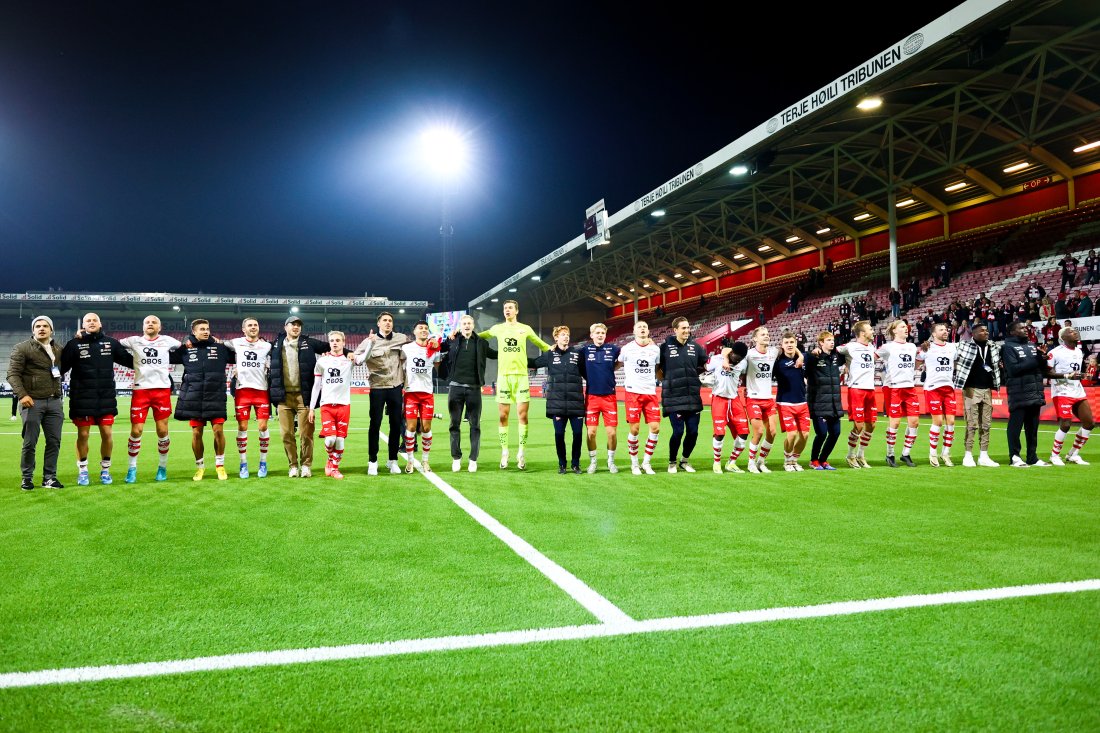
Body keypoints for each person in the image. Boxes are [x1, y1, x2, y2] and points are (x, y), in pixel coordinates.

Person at [476, 300, 551, 470]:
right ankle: (504, 452)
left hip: (522, 377)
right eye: (505, 308)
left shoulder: (525, 328)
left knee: (522, 416)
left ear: (517, 310)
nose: (507, 310)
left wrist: (557, 349)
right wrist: (462, 333)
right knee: (503, 416)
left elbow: (542, 344)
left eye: (510, 308)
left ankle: (521, 453)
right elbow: (480, 336)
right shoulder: (498, 328)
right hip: (503, 377)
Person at [60, 312, 133, 485]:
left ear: (100, 324)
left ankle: (105, 470)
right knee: (83, 435)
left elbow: (131, 362)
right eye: (88, 320)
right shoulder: (74, 344)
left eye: (95, 320)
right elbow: (61, 368)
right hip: (82, 398)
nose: (91, 322)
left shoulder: (111, 343)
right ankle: (83, 471)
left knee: (107, 434)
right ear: (83, 325)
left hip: (105, 398)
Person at [170, 319, 236, 481]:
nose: (206, 331)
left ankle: (220, 465)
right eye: (202, 329)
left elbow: (238, 354)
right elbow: (168, 355)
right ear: (194, 332)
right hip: (194, 396)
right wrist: (186, 340)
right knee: (197, 433)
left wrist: (222, 342)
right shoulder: (186, 349)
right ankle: (200, 467)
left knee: (218, 431)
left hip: (216, 395)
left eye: (207, 329)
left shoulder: (220, 348)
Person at [119, 315, 181, 483]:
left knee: (162, 431)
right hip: (141, 391)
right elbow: (112, 344)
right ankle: (132, 468)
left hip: (161, 391)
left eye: (154, 322)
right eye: (147, 322)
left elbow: (185, 346)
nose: (150, 324)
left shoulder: (168, 341)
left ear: (159, 327)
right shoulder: (133, 341)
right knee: (136, 431)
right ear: (143, 326)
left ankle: (162, 467)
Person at [268, 315, 331, 479]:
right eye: (292, 324)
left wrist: (349, 352)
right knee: (287, 435)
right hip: (283, 397)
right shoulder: (275, 344)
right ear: (285, 327)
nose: (296, 327)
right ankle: (293, 466)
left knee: (306, 434)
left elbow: (330, 345)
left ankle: (306, 465)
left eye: (298, 325)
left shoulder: (308, 342)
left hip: (304, 397)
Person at [7, 315, 65, 490]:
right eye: (37, 326)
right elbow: (12, 374)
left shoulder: (59, 350)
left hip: (55, 402)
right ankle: (27, 478)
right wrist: (22, 395)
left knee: (54, 441)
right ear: (33, 330)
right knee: (30, 442)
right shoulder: (22, 348)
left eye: (45, 326)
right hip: (32, 402)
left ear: (51, 329)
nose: (41, 328)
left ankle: (49, 477)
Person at [307, 331, 373, 480]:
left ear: (344, 343)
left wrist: (370, 343)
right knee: (330, 439)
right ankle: (331, 459)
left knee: (340, 440)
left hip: (344, 405)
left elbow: (363, 358)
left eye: (338, 340)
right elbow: (316, 386)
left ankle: (334, 467)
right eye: (332, 340)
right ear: (329, 343)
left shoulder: (349, 359)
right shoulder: (322, 361)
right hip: (327, 405)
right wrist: (311, 408)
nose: (335, 343)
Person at [441, 314, 496, 473]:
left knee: (475, 426)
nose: (466, 325)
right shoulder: (452, 340)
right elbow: (439, 348)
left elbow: (496, 354)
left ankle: (473, 459)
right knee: (454, 425)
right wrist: (448, 336)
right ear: (460, 326)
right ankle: (456, 458)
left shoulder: (481, 343)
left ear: (473, 326)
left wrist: (513, 351)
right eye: (464, 323)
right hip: (455, 388)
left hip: (474, 389)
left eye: (469, 323)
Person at [530, 326, 586, 474]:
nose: (566, 337)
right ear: (556, 338)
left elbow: (587, 373)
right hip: (557, 403)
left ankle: (575, 464)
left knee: (578, 434)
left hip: (576, 403)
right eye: (562, 335)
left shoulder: (577, 354)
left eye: (567, 334)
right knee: (559, 434)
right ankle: (562, 464)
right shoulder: (550, 354)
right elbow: (534, 363)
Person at [658, 317, 707, 473]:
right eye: (683, 328)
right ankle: (672, 462)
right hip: (673, 397)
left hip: (693, 396)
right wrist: (666, 381)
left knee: (693, 432)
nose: (687, 330)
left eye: (688, 327)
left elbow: (706, 365)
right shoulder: (664, 348)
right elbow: (657, 368)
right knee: (678, 432)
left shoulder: (696, 347)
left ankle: (684, 461)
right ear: (675, 330)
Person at [226, 317, 273, 479]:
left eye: (255, 325)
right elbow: (216, 343)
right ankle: (243, 463)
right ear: (243, 329)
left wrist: (269, 367)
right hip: (242, 391)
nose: (253, 327)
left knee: (262, 427)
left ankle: (263, 462)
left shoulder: (267, 346)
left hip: (261, 391)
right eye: (250, 325)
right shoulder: (235, 342)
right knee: (243, 428)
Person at [365, 311, 410, 476]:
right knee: (375, 424)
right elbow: (356, 357)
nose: (388, 323)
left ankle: (393, 460)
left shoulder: (401, 338)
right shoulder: (369, 341)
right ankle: (372, 461)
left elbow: (417, 344)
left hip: (395, 387)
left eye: (390, 320)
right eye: (384, 320)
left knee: (396, 425)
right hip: (377, 388)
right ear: (378, 323)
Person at [953, 323, 1002, 467]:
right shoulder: (963, 346)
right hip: (971, 389)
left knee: (986, 424)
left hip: (987, 389)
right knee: (971, 424)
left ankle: (983, 455)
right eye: (982, 331)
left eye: (987, 330)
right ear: (973, 334)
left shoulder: (993, 347)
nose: (986, 332)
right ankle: (968, 455)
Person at [1001, 321, 1049, 467]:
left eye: (1025, 327)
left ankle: (1032, 457)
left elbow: (1040, 368)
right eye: (1021, 328)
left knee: (1033, 428)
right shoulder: (1007, 347)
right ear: (1012, 332)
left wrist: (1042, 359)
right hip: (1018, 392)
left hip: (1035, 391)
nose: (1025, 329)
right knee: (1015, 426)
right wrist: (1036, 360)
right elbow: (1013, 369)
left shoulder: (1032, 345)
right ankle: (1014, 457)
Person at [617, 320, 661, 475]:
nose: (642, 329)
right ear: (634, 331)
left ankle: (646, 462)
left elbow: (657, 369)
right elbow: (618, 364)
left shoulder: (655, 349)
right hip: (633, 392)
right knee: (635, 430)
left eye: (645, 327)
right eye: (639, 327)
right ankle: (634, 464)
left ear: (648, 331)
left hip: (650, 392)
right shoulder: (627, 348)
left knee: (655, 428)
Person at [399, 322, 443, 473]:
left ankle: (425, 461)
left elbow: (439, 367)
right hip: (411, 393)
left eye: (426, 328)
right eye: (421, 328)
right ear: (414, 331)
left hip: (427, 393)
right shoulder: (406, 348)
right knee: (410, 427)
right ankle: (410, 461)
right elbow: (399, 364)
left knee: (426, 427)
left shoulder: (434, 349)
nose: (424, 330)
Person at [1046, 326, 1092, 466]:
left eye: (1075, 330)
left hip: (1078, 390)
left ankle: (1073, 454)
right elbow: (1047, 372)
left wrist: (1083, 375)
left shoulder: (1079, 351)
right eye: (1070, 331)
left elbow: (1075, 371)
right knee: (1066, 424)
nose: (1075, 332)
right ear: (1063, 337)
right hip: (1062, 391)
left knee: (1089, 423)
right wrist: (1067, 376)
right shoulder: (1055, 352)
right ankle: (1054, 455)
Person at [877, 320, 920, 467]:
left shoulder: (912, 346)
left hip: (910, 387)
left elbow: (918, 361)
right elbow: (872, 356)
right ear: (894, 330)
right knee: (895, 423)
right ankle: (890, 454)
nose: (906, 328)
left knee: (914, 422)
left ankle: (906, 454)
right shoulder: (888, 347)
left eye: (906, 327)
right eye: (902, 326)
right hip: (894, 387)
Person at [579, 322, 621, 474]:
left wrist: (612, 368)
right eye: (597, 333)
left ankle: (611, 461)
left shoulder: (613, 349)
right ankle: (593, 461)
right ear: (591, 335)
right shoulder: (584, 350)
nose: (600, 335)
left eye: (602, 333)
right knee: (591, 433)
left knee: (612, 433)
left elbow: (625, 356)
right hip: (592, 397)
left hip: (609, 397)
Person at [836, 320, 878, 468]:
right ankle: (850, 455)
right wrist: (845, 365)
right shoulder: (850, 346)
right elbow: (835, 349)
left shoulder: (871, 346)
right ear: (862, 333)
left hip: (870, 389)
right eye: (870, 329)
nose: (872, 331)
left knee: (872, 424)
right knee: (859, 426)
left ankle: (861, 455)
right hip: (856, 389)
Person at [917, 322, 959, 467]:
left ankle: (946, 453)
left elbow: (958, 360)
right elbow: (916, 360)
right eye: (941, 330)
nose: (945, 331)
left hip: (949, 388)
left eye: (946, 329)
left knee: (951, 422)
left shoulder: (953, 347)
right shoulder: (927, 348)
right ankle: (933, 453)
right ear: (934, 334)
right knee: (938, 421)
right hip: (933, 388)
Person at [705, 341, 749, 473]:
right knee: (719, 433)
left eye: (740, 359)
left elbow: (746, 374)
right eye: (736, 357)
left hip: (735, 399)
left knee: (744, 433)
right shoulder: (717, 359)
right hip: (719, 399)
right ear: (731, 353)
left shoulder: (743, 363)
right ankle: (716, 462)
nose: (737, 361)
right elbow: (705, 368)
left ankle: (731, 462)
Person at [743, 326, 780, 473]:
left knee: (772, 432)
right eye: (762, 334)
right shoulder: (749, 354)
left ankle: (761, 461)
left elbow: (789, 346)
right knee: (758, 432)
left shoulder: (774, 352)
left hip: (768, 399)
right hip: (753, 398)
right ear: (754, 339)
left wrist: (800, 355)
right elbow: (729, 353)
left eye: (767, 334)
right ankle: (750, 463)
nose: (766, 336)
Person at [805, 331, 844, 470]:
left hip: (834, 403)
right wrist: (810, 353)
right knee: (821, 434)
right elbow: (805, 362)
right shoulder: (814, 357)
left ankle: (823, 460)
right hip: (818, 403)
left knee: (836, 433)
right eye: (828, 340)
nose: (832, 342)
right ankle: (814, 460)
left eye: (832, 340)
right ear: (821, 343)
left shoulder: (836, 357)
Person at [773, 331, 808, 471]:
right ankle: (787, 460)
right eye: (786, 343)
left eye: (792, 342)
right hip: (785, 402)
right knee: (792, 434)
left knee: (804, 435)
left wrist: (800, 355)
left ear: (796, 344)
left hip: (802, 402)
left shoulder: (803, 359)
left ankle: (794, 460)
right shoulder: (778, 363)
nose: (789, 345)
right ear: (782, 345)